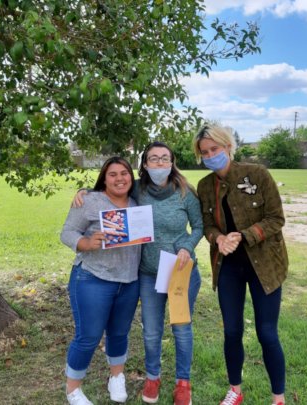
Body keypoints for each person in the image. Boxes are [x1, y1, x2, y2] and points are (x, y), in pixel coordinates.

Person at [73, 142, 203, 405]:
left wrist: (187, 246)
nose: (159, 164)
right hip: (147, 273)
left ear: (172, 162)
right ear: (145, 164)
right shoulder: (138, 189)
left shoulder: (185, 193)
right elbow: (112, 184)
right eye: (153, 159)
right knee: (151, 331)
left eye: (165, 158)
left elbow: (199, 226)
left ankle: (183, 383)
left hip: (179, 271)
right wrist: (84, 192)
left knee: (181, 329)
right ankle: (153, 377)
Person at [193, 124, 288, 405]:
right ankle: (235, 390)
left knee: (267, 332)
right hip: (229, 268)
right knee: (232, 330)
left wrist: (244, 235)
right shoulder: (205, 186)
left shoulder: (257, 174)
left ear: (228, 147)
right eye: (205, 152)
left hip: (265, 265)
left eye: (215, 149)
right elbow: (207, 225)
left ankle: (278, 398)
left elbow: (276, 218)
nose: (211, 155)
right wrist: (218, 239)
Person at [60, 156, 142, 405]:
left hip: (129, 280)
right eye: (113, 174)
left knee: (119, 333)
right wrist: (86, 243)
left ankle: (116, 377)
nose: (120, 178)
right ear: (104, 179)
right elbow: (67, 232)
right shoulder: (90, 200)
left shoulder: (138, 201)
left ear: (132, 176)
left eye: (124, 173)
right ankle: (73, 389)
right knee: (88, 336)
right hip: (93, 278)